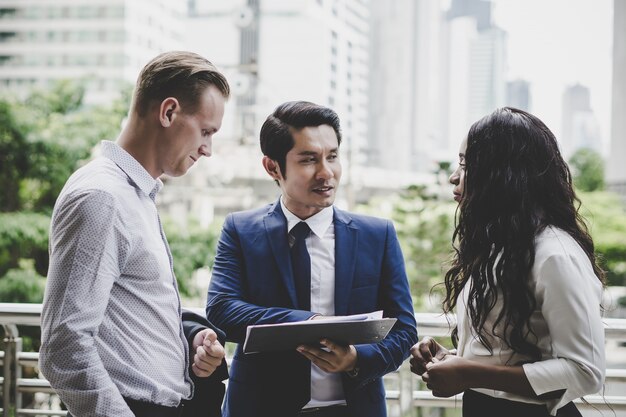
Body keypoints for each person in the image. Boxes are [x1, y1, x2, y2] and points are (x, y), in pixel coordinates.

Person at [40, 51, 231, 417]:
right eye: (206, 131)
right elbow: (63, 349)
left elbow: (130, 311)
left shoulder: (134, 194)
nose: (208, 149)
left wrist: (189, 340)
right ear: (169, 112)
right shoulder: (102, 198)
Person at [206, 101, 418, 417]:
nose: (326, 173)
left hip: (354, 408)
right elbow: (222, 309)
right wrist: (306, 323)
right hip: (261, 407)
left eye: (332, 157)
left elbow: (404, 330)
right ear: (273, 167)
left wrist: (357, 359)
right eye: (309, 160)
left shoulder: (377, 235)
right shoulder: (240, 229)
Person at [409, 107, 605, 417]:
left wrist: (470, 373)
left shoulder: (555, 254)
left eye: (466, 163)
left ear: (504, 174)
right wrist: (449, 359)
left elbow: (585, 371)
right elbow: (502, 359)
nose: (453, 176)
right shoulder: (499, 248)